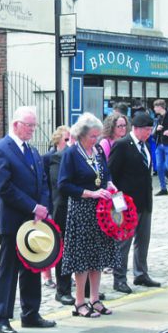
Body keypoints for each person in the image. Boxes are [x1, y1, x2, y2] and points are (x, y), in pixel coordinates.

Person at [0, 106, 57, 333]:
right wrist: (32, 206)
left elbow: (43, 181)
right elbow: (5, 187)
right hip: (14, 220)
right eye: (29, 125)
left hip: (34, 220)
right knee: (8, 268)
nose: (32, 130)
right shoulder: (0, 150)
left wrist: (43, 207)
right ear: (16, 124)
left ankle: (31, 313)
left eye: (34, 125)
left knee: (32, 266)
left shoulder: (33, 151)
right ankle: (2, 317)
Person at [58, 112, 119, 317]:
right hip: (81, 209)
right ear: (82, 135)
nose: (96, 139)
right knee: (82, 258)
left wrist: (109, 184)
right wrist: (90, 193)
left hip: (100, 210)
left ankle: (95, 298)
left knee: (98, 256)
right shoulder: (72, 154)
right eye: (92, 136)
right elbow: (64, 185)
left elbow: (105, 173)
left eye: (97, 136)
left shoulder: (98, 151)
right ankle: (79, 301)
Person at [109, 112, 160, 294]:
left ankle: (140, 273)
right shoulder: (122, 145)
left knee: (143, 240)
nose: (149, 133)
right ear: (136, 129)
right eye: (146, 130)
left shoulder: (145, 145)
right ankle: (119, 277)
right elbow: (111, 174)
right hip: (127, 204)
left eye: (150, 129)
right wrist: (118, 202)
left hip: (144, 201)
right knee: (123, 242)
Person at [49, 128, 76, 306]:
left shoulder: (87, 154)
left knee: (81, 250)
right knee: (64, 251)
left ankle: (87, 288)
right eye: (67, 139)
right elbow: (60, 184)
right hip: (63, 208)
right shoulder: (56, 157)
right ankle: (63, 289)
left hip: (82, 208)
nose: (69, 143)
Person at [42, 125, 71, 290]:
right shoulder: (48, 157)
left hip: (64, 203)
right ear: (58, 140)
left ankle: (66, 274)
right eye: (66, 140)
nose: (68, 143)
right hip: (52, 201)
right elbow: (45, 183)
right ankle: (47, 275)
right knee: (51, 240)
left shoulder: (69, 156)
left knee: (65, 242)